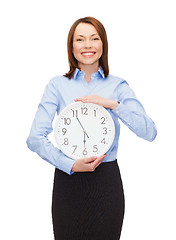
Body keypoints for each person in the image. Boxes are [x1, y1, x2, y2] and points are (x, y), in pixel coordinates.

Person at [26, 16, 157, 240]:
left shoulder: (118, 86)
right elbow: (35, 138)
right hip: (68, 182)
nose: (87, 45)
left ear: (102, 45)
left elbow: (149, 132)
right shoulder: (57, 85)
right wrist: (70, 164)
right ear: (72, 46)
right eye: (80, 39)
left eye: (94, 38)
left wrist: (112, 104)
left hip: (106, 183)